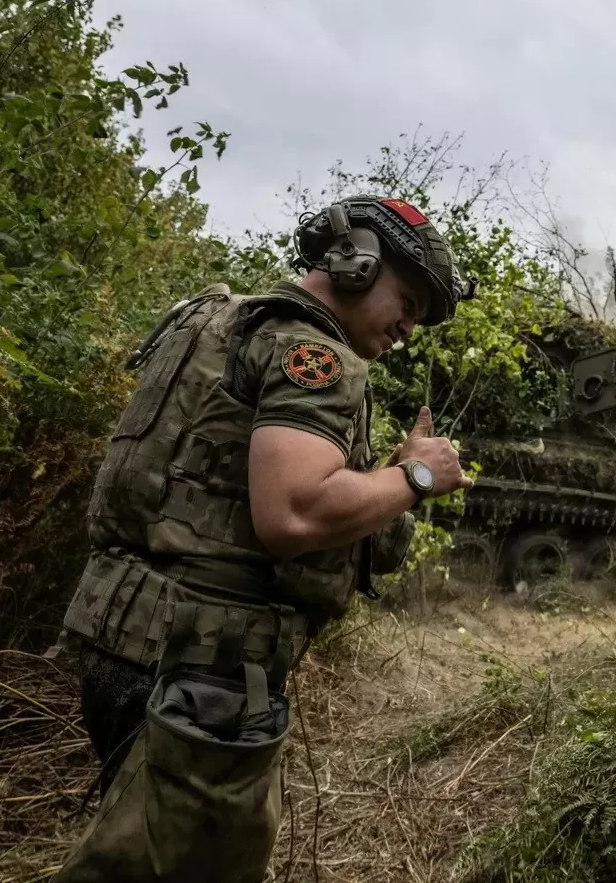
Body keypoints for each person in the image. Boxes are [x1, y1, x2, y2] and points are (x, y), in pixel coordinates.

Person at [47, 196, 476, 883]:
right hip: (204, 665)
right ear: (358, 261)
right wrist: (421, 475)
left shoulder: (215, 319)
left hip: (124, 635)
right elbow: (296, 514)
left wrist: (387, 478)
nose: (408, 326)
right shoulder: (311, 352)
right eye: (409, 298)